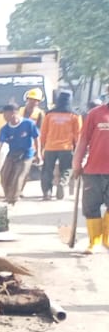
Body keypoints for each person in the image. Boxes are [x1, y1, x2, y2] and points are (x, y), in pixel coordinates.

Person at [72, 91, 109, 254]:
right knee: (91, 207)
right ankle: (94, 242)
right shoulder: (95, 114)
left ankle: (107, 239)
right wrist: (76, 163)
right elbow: (84, 140)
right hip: (93, 169)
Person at [38, 91, 81, 200]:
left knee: (47, 170)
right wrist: (78, 150)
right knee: (67, 168)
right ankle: (62, 182)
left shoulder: (49, 115)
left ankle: (47, 193)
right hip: (66, 148)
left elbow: (43, 133)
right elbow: (78, 134)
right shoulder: (75, 115)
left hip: (50, 147)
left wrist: (41, 147)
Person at [0, 103, 40, 205]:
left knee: (19, 176)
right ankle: (8, 196)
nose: (4, 117)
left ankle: (13, 199)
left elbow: (36, 138)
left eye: (5, 114)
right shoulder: (5, 129)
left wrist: (38, 153)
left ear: (13, 113)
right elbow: (0, 142)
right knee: (4, 174)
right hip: (13, 153)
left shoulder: (28, 124)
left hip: (26, 154)